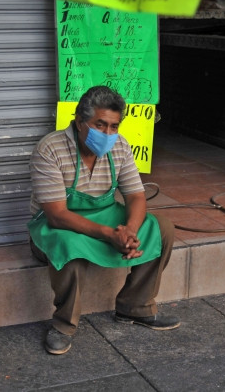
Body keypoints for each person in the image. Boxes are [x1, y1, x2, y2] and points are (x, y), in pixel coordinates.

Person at [28, 85, 179, 355]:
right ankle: (63, 325)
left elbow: (136, 196)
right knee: (69, 245)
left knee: (162, 228)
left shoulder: (120, 146)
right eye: (100, 125)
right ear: (79, 121)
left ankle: (135, 306)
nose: (108, 134)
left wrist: (129, 231)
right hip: (58, 225)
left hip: (106, 217)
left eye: (113, 126)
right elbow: (57, 215)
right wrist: (110, 235)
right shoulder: (50, 148)